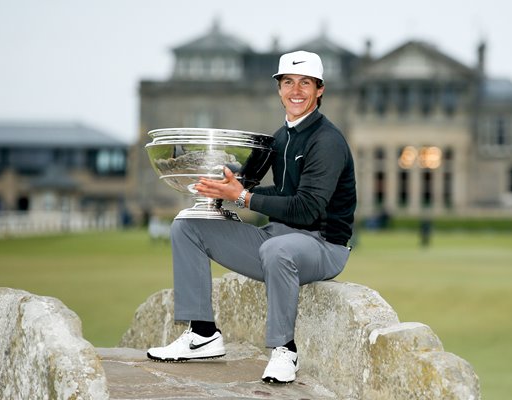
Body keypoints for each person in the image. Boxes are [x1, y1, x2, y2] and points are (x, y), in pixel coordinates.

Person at [146, 50, 357, 384]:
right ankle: (203, 334)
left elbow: (308, 208)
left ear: (320, 90)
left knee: (278, 250)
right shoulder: (283, 136)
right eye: (288, 82)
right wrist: (230, 186)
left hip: (323, 247)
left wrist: (243, 197)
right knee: (186, 227)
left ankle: (284, 350)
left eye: (305, 83)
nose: (296, 90)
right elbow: (281, 193)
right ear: (279, 89)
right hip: (276, 238)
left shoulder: (327, 140)